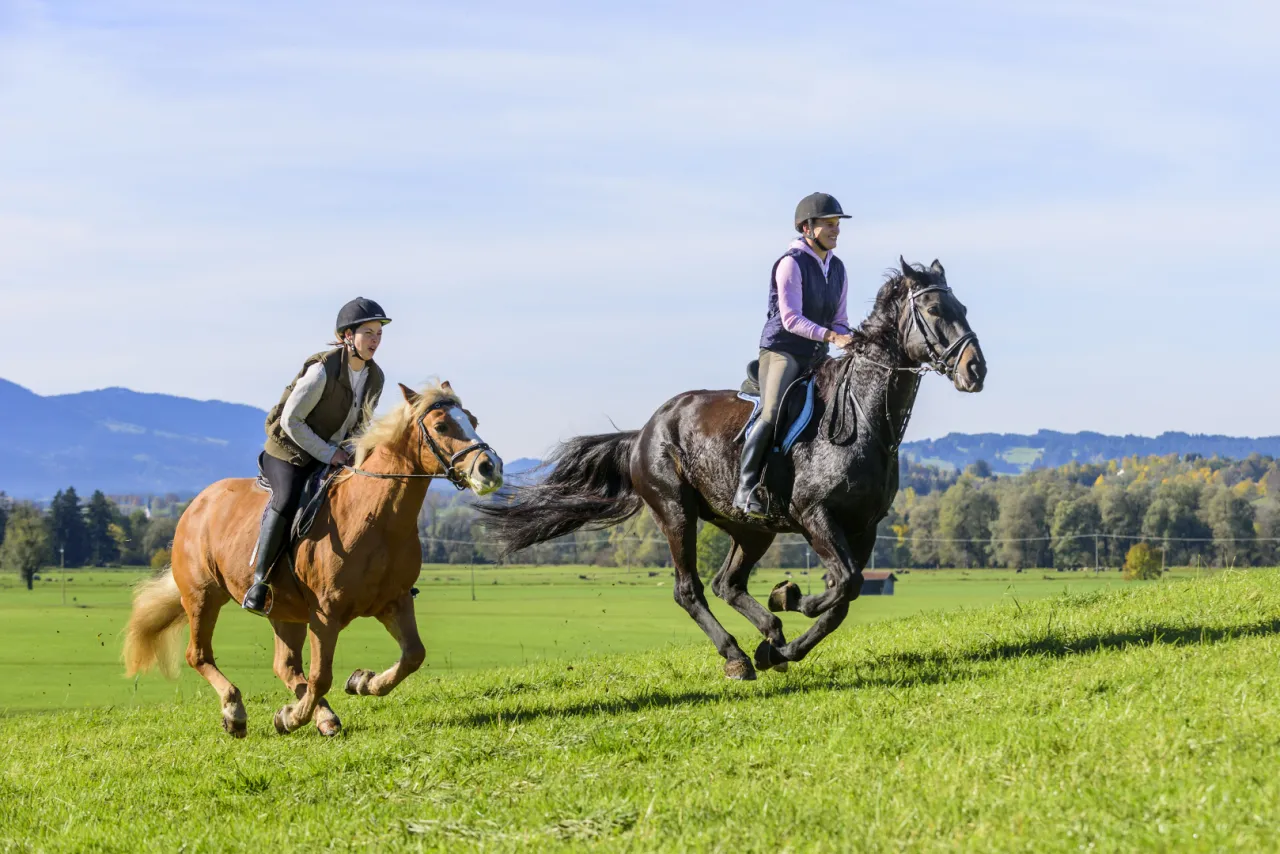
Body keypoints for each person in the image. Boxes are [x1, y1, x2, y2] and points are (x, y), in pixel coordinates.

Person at [241, 297, 391, 615]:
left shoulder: (375, 378)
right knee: (287, 497)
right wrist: (329, 453)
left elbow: (361, 427)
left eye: (379, 333)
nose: (375, 340)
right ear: (347, 336)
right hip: (288, 451)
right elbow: (290, 421)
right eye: (368, 332)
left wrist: (357, 452)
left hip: (333, 456)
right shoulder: (322, 370)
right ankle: (259, 582)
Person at [733, 193, 855, 517]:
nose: (836, 230)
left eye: (837, 224)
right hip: (782, 350)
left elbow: (840, 320)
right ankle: (745, 489)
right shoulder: (791, 263)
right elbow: (791, 319)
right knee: (772, 412)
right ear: (807, 227)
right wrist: (831, 335)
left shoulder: (838, 269)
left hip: (817, 354)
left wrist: (854, 340)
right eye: (829, 224)